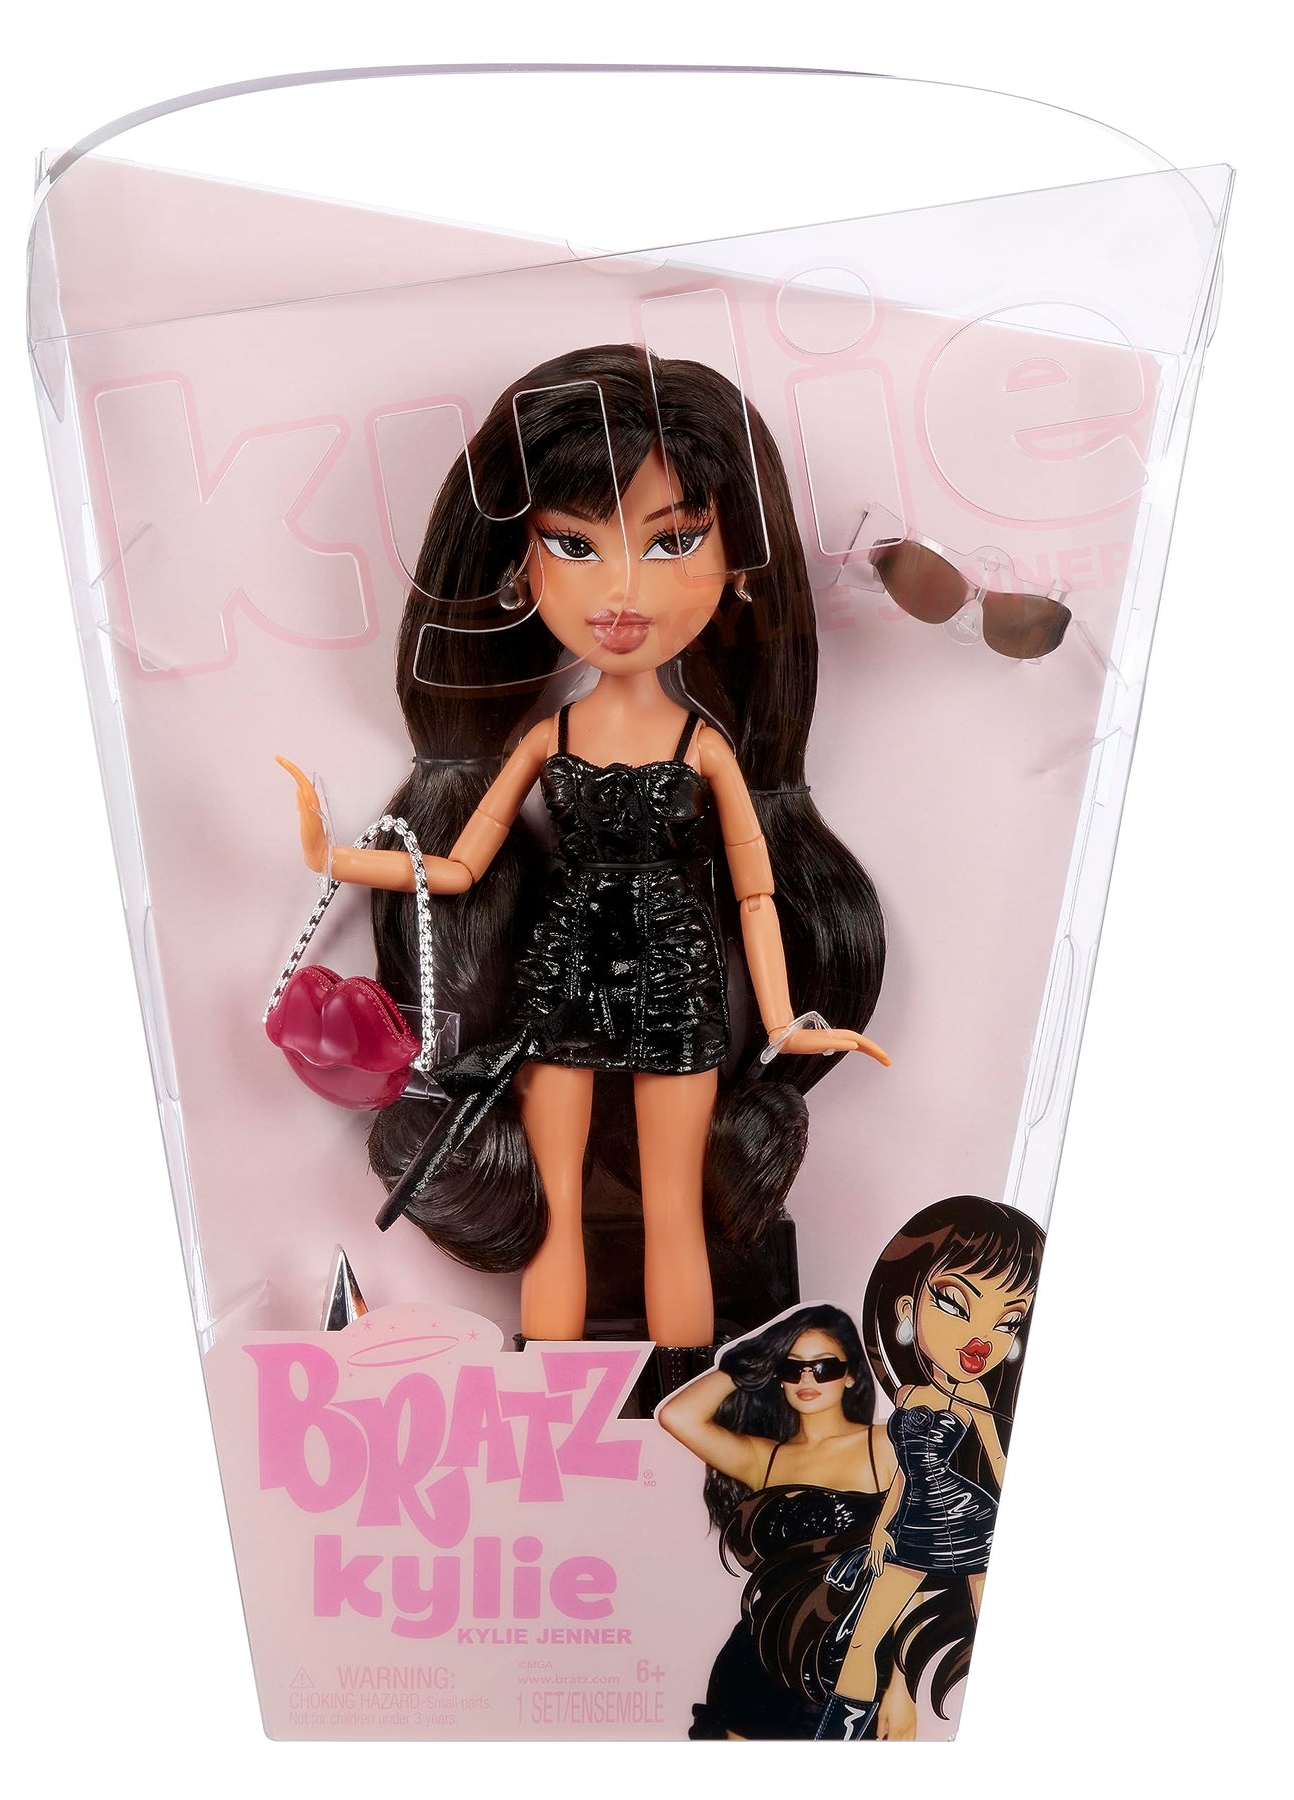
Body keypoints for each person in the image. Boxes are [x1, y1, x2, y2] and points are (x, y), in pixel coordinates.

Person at [281, 345, 887, 1372]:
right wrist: (333, 855)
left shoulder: (705, 747)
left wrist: (785, 1019)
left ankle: (687, 1407)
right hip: (560, 979)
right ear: (520, 566)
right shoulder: (549, 737)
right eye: (574, 543)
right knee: (556, 1214)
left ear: (739, 564)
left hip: (677, 984)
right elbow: (461, 869)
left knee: (675, 1211)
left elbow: (756, 893)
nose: (621, 588)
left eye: (673, 540)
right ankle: (550, 1409)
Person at [814, 1197, 1045, 1739]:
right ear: (906, 1306)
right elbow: (905, 1473)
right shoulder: (910, 1394)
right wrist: (881, 1528)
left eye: (1008, 1320)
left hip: (973, 1519)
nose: (983, 1338)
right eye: (956, 1303)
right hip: (914, 1525)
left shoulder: (974, 1395)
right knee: (864, 1640)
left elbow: (998, 1458)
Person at [657, 1304, 917, 1740]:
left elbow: (910, 1567)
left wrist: (902, 1686)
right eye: (792, 1368)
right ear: (777, 1375)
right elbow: (676, 1416)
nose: (806, 1380)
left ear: (851, 1374)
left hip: (849, 1670)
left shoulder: (887, 1447)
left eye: (823, 1367)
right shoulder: (764, 1458)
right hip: (754, 1667)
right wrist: (755, 1355)